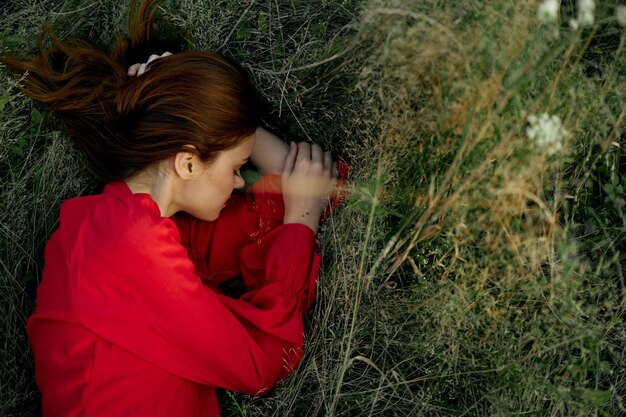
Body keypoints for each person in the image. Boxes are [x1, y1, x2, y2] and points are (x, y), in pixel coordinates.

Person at [0, 0, 347, 415]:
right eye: (237, 167)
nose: (241, 182)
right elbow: (264, 362)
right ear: (186, 162)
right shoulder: (126, 242)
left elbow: (309, 190)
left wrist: (207, 108)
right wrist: (303, 215)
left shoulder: (143, 228)